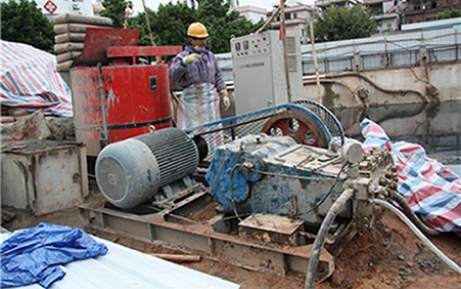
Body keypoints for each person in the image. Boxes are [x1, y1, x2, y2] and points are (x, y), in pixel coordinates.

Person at [168, 22, 230, 151]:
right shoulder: (182, 57)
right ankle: (194, 160)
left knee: (213, 130)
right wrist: (184, 63)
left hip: (210, 99)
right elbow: (173, 75)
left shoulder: (210, 56)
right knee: (193, 132)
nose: (203, 42)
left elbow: (218, 75)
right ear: (191, 39)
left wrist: (223, 92)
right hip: (192, 101)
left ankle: (214, 156)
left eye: (204, 39)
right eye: (200, 39)